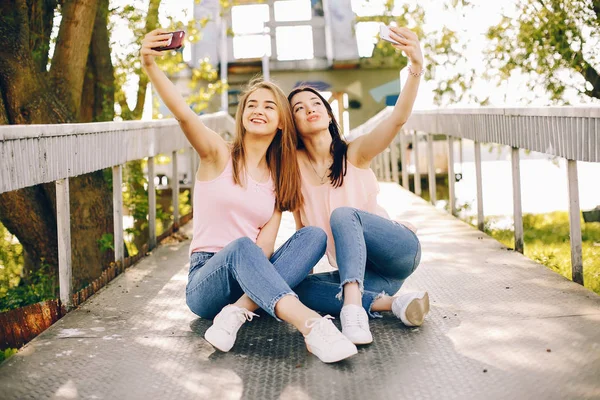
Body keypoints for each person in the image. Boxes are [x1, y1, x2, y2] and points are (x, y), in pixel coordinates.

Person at [141, 29, 358, 363]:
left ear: (282, 123)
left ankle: (237, 314)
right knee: (240, 246)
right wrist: (151, 66)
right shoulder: (217, 154)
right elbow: (184, 115)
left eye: (270, 106)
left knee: (312, 235)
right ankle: (312, 326)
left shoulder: (278, 179)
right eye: (251, 104)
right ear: (242, 115)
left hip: (250, 276)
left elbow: (265, 248)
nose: (259, 110)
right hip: (206, 279)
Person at [288, 26, 429, 345]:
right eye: (298, 108)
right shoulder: (293, 172)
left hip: (397, 251)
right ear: (292, 124)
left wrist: (415, 69)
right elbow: (303, 238)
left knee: (342, 215)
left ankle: (353, 309)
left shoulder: (354, 152)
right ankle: (394, 303)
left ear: (327, 113)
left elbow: (396, 120)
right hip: (370, 277)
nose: (309, 108)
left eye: (315, 103)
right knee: (296, 288)